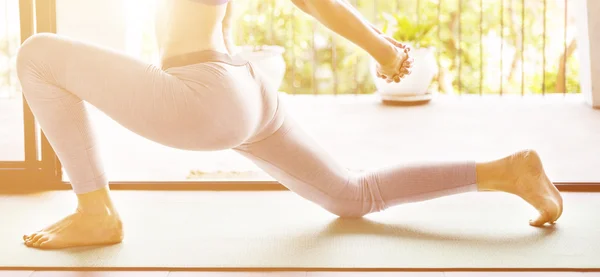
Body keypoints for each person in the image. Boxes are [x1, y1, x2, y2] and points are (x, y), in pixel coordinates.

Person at [17, 0, 562, 250]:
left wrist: (383, 49)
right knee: (353, 195)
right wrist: (384, 50)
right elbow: (315, 3)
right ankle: (508, 172)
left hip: (204, 95)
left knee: (37, 54)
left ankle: (95, 209)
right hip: (246, 87)